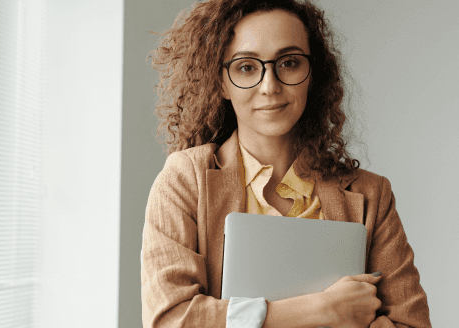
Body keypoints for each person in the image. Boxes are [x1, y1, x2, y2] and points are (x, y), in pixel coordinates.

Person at [141, 0, 431, 327]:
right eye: (246, 66)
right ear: (221, 82)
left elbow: (412, 323)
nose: (270, 86)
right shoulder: (184, 181)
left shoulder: (372, 194)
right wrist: (325, 310)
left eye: (289, 62)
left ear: (312, 73)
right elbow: (172, 318)